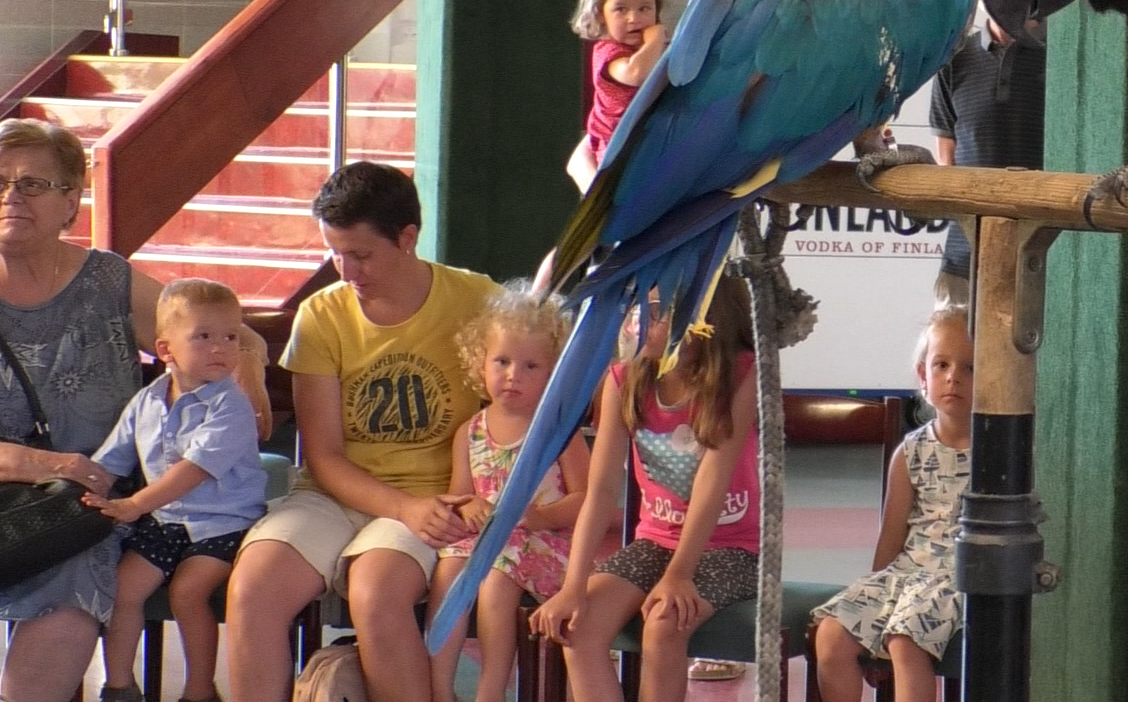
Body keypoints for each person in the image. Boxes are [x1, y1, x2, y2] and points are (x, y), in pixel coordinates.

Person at [0, 118, 268, 702]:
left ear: (71, 199)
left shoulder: (108, 282)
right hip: (19, 488)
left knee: (72, 562)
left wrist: (251, 382)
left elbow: (228, 337)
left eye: (32, 184)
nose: (11, 197)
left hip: (89, 507)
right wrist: (44, 462)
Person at [225, 162, 498, 702]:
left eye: (362, 254)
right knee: (253, 589)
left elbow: (518, 416)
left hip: (437, 498)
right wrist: (401, 509)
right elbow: (323, 456)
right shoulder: (322, 315)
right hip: (336, 495)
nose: (347, 269)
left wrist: (452, 504)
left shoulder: (476, 301)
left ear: (408, 238)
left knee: (375, 594)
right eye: (335, 253)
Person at [529, 277, 758, 702]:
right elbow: (600, 492)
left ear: (699, 320)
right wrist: (573, 584)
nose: (638, 322)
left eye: (656, 312)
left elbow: (713, 481)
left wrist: (680, 574)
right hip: (655, 543)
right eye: (638, 311)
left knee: (664, 622)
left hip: (731, 548)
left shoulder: (740, 375)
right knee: (577, 627)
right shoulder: (624, 379)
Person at [89, 279, 270, 702]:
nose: (221, 348)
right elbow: (111, 460)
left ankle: (199, 691)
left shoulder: (231, 404)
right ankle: (118, 686)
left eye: (230, 336)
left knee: (188, 593)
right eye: (203, 337)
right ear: (166, 350)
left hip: (223, 524)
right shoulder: (147, 400)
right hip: (165, 520)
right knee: (121, 588)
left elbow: (194, 470)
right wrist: (84, 489)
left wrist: (133, 504)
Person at [427, 283, 589, 702]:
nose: (513, 375)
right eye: (501, 361)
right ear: (479, 363)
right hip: (486, 539)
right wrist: (472, 506)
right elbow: (459, 496)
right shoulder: (471, 433)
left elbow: (589, 501)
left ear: (555, 373)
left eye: (531, 366)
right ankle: (439, 688)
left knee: (496, 582)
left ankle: (491, 690)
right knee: (447, 572)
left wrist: (540, 517)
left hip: (542, 542)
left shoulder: (558, 433)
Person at [813, 305, 972, 702]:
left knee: (906, 638)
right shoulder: (911, 451)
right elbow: (891, 536)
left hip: (960, 579)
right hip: (907, 573)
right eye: (942, 365)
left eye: (970, 368)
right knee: (832, 634)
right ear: (923, 375)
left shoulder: (1003, 452)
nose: (953, 377)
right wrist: (874, 599)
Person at [928, 9, 1045, 308]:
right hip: (964, 256)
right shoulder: (953, 57)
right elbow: (946, 158)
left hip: (1043, 249)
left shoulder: (1066, 53)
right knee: (961, 349)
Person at [567, 0, 671, 192]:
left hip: (641, 144)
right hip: (615, 151)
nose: (634, 18)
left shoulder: (644, 51)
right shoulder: (609, 51)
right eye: (620, 9)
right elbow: (635, 74)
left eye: (644, 8)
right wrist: (655, 40)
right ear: (599, 15)